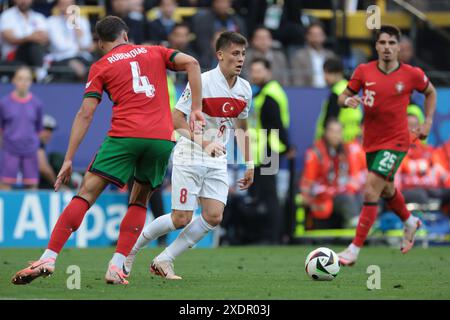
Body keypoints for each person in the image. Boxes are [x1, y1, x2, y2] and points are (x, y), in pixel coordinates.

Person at [11, 15, 205, 286]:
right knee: (139, 201)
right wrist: (196, 108)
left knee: (86, 194)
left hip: (125, 136)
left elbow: (86, 113)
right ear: (125, 36)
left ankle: (49, 257)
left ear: (100, 43)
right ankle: (116, 266)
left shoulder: (101, 65)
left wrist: (68, 159)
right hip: (162, 138)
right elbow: (193, 63)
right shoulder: (155, 51)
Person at [123, 31, 253, 280]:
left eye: (243, 54)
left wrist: (250, 164)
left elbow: (242, 129)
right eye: (235, 54)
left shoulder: (245, 89)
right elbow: (176, 120)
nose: (240, 59)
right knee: (181, 218)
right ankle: (130, 250)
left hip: (217, 158)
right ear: (220, 54)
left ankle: (164, 259)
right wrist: (203, 142)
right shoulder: (201, 82)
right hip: (191, 154)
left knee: (214, 216)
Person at [337, 25, 437, 266]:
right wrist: (348, 100)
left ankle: (354, 249)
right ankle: (410, 221)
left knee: (370, 190)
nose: (387, 48)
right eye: (383, 43)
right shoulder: (363, 71)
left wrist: (427, 122)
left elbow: (430, 92)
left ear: (399, 47)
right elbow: (341, 97)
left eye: (392, 43)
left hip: (398, 141)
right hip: (371, 142)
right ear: (376, 46)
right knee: (386, 190)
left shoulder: (412, 74)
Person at [248, 57, 295, 244]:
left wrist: (286, 146)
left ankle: (274, 237)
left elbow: (276, 125)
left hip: (268, 151)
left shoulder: (269, 95)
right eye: (253, 71)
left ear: (268, 72)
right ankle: (269, 235)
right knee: (265, 193)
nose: (255, 75)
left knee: (269, 194)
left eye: (259, 71)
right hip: (267, 151)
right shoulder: (268, 92)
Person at [301, 119, 362, 229]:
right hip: (322, 196)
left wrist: (349, 188)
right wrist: (307, 199)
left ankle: (363, 227)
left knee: (363, 196)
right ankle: (354, 227)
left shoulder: (346, 151)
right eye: (332, 131)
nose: (335, 135)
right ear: (325, 132)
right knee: (346, 198)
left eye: (338, 132)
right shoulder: (316, 152)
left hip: (341, 191)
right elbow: (307, 183)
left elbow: (354, 176)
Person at [0, 66, 42, 190]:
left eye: (27, 79)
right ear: (13, 80)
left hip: (30, 150)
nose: (23, 82)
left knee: (32, 185)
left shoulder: (37, 104)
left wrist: (33, 146)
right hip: (10, 150)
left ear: (31, 81)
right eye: (20, 78)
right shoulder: (3, 103)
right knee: (5, 184)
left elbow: (38, 129)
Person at [315, 57, 362, 143]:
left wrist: (322, 140)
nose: (325, 77)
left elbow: (330, 120)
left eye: (327, 73)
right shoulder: (349, 88)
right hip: (354, 139)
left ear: (337, 73)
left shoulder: (337, 93)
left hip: (338, 141)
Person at [191, 0, 247, 69]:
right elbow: (202, 44)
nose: (223, 5)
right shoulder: (203, 21)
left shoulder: (237, 21)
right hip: (208, 60)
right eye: (220, 2)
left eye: (225, 2)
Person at [0, 0, 48, 80]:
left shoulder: (38, 17)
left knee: (34, 46)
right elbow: (10, 38)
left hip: (33, 57)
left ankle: (40, 73)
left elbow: (45, 39)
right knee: (31, 44)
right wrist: (30, 37)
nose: (23, 1)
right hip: (13, 57)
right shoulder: (7, 15)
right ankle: (41, 75)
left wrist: (32, 38)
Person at [46, 0, 94, 81]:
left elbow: (86, 43)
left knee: (95, 69)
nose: (66, 8)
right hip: (61, 58)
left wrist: (74, 24)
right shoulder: (51, 22)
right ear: (58, 6)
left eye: (69, 5)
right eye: (63, 4)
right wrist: (78, 48)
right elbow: (60, 46)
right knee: (69, 71)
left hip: (82, 57)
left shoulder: (82, 21)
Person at [290, 22, 336, 88]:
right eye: (314, 35)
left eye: (319, 34)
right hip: (308, 93)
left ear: (324, 36)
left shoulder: (331, 56)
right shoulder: (299, 56)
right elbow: (297, 81)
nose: (316, 38)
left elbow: (336, 79)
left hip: (329, 91)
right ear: (307, 36)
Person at [38, 114, 58, 189]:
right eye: (45, 129)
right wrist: (58, 185)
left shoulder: (39, 144)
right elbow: (43, 168)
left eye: (50, 131)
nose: (48, 134)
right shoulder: (36, 142)